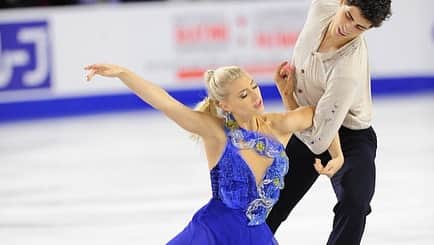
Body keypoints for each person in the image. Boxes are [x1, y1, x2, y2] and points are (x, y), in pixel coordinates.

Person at [84, 62, 343, 244]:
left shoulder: (280, 125)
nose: (255, 96)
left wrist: (336, 154)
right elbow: (165, 102)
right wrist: (122, 73)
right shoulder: (216, 133)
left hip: (256, 235)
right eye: (244, 94)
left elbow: (321, 113)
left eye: (254, 86)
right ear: (224, 104)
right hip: (214, 233)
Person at [266, 0, 392, 244]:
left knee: (355, 203)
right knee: (270, 203)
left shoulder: (347, 70)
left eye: (360, 27)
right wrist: (291, 98)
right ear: (342, 2)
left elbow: (317, 142)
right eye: (348, 16)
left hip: (350, 136)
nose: (348, 28)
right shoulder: (322, 7)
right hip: (307, 124)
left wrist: (286, 95)